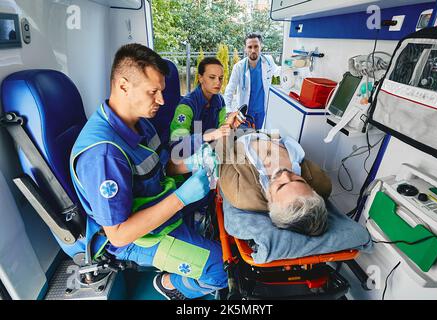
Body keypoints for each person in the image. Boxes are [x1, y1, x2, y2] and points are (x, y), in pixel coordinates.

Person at [69, 43, 227, 300]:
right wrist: (180, 199)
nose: (162, 101)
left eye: (161, 91)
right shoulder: (104, 154)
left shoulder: (140, 123)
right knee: (222, 270)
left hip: (157, 201)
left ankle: (193, 235)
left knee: (212, 199)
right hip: (135, 238)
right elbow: (119, 235)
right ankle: (170, 284)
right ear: (123, 86)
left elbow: (162, 165)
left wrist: (191, 163)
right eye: (153, 91)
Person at [216, 129, 331, 236]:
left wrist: (228, 128)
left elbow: (222, 152)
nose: (286, 174)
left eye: (281, 186)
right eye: (298, 180)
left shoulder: (239, 191)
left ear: (270, 201)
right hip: (265, 132)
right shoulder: (322, 182)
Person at [170, 57, 242, 156]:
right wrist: (210, 136)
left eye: (220, 78)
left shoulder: (220, 101)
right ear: (200, 78)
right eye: (212, 77)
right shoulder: (186, 106)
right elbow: (178, 146)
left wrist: (229, 125)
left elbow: (221, 130)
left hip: (210, 153)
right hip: (188, 160)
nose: (218, 82)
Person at [224, 33, 281, 129]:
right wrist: (228, 111)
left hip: (262, 110)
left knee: (259, 137)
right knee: (245, 137)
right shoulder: (239, 67)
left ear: (261, 46)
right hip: (245, 112)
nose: (253, 50)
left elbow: (278, 72)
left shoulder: (268, 61)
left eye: (256, 46)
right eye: (250, 47)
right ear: (245, 48)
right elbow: (229, 90)